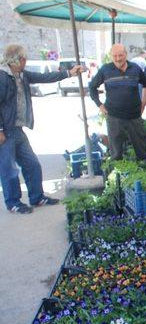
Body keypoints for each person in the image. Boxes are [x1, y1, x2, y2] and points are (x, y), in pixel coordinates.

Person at [0, 44, 83, 213]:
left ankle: (37, 197)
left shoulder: (21, 74)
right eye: (24, 58)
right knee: (9, 170)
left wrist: (68, 73)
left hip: (17, 129)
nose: (26, 61)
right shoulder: (2, 77)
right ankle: (13, 203)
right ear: (16, 60)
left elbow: (44, 77)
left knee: (32, 164)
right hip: (6, 131)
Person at [89, 43, 146, 161]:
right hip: (114, 115)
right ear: (111, 56)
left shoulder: (135, 68)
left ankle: (144, 167)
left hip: (134, 115)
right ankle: (117, 174)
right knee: (116, 152)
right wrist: (100, 105)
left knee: (141, 149)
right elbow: (92, 87)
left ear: (126, 55)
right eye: (114, 56)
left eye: (120, 55)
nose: (118, 59)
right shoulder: (105, 70)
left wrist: (143, 103)